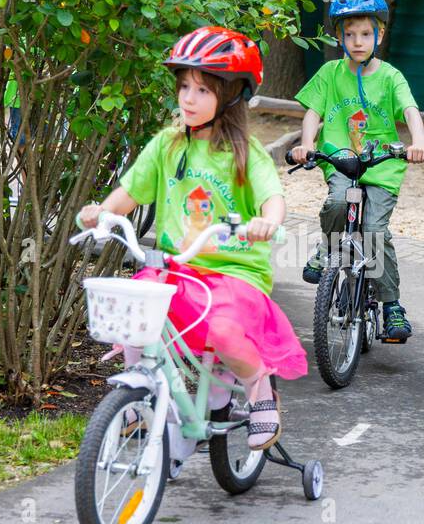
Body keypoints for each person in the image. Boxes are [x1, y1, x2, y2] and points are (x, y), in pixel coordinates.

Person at [79, 26, 306, 449]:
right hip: (177, 270)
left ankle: (259, 388)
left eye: (202, 90)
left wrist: (268, 222)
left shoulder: (244, 151)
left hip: (234, 273)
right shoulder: (166, 145)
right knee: (132, 312)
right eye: (184, 86)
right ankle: (138, 396)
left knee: (222, 331)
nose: (188, 98)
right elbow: (128, 194)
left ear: (233, 94)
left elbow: (272, 198)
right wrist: (103, 213)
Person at [290, 0, 424, 341]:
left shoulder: (391, 77)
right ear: (338, 36)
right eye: (349, 34)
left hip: (382, 167)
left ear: (379, 35)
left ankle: (391, 306)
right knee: (337, 203)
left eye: (366, 34)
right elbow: (312, 113)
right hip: (342, 162)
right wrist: (307, 145)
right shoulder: (330, 73)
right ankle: (328, 249)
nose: (357, 41)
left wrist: (419, 143)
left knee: (373, 232)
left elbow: (410, 110)